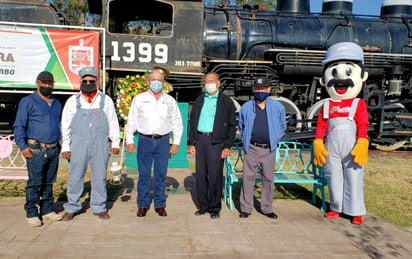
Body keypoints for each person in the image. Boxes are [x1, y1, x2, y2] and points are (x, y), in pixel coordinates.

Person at [313, 42, 369, 225]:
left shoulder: (358, 104)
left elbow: (363, 124)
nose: (341, 79)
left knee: (353, 176)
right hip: (332, 146)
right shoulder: (327, 105)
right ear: (324, 79)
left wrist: (362, 142)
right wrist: (318, 142)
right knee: (333, 175)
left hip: (352, 145)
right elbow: (321, 125)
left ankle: (355, 211)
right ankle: (336, 207)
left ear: (363, 76)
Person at [61, 66, 120, 220]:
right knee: (75, 176)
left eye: (91, 81)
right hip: (78, 144)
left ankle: (99, 206)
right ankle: (72, 206)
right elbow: (65, 125)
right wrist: (66, 146)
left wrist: (115, 143)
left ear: (97, 82)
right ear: (80, 81)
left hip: (100, 143)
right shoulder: (73, 101)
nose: (88, 83)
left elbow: (113, 122)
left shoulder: (105, 100)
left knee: (100, 176)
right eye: (85, 81)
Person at [126, 70, 183, 217]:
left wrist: (176, 143)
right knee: (144, 175)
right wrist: (130, 141)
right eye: (153, 80)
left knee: (161, 174)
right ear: (148, 82)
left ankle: (159, 204)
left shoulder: (169, 101)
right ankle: (142, 205)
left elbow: (177, 122)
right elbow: (132, 120)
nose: (156, 82)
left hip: (163, 141)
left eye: (159, 80)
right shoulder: (139, 99)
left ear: (163, 83)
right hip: (144, 140)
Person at [13, 71, 63, 227]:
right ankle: (32, 212)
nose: (47, 86)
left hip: (53, 148)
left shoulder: (56, 103)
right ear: (37, 83)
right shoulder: (28, 101)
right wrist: (22, 146)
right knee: (35, 182)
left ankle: (47, 209)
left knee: (49, 182)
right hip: (36, 148)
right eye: (44, 83)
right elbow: (19, 125)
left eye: (50, 83)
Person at [188, 72, 237, 219]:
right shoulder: (199, 100)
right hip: (201, 140)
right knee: (201, 175)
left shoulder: (226, 101)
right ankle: (203, 206)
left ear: (218, 83)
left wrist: (228, 145)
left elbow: (232, 125)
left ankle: (215, 208)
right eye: (206, 82)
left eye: (212, 81)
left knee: (215, 175)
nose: (208, 84)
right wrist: (192, 142)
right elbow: (193, 121)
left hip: (216, 142)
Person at [238, 77, 286, 219]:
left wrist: (275, 138)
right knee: (248, 178)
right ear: (253, 89)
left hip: (269, 148)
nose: (260, 91)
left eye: (263, 89)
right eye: (258, 89)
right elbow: (241, 126)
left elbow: (283, 125)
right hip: (252, 148)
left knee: (268, 179)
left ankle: (266, 208)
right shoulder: (246, 107)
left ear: (269, 90)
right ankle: (246, 208)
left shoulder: (278, 107)